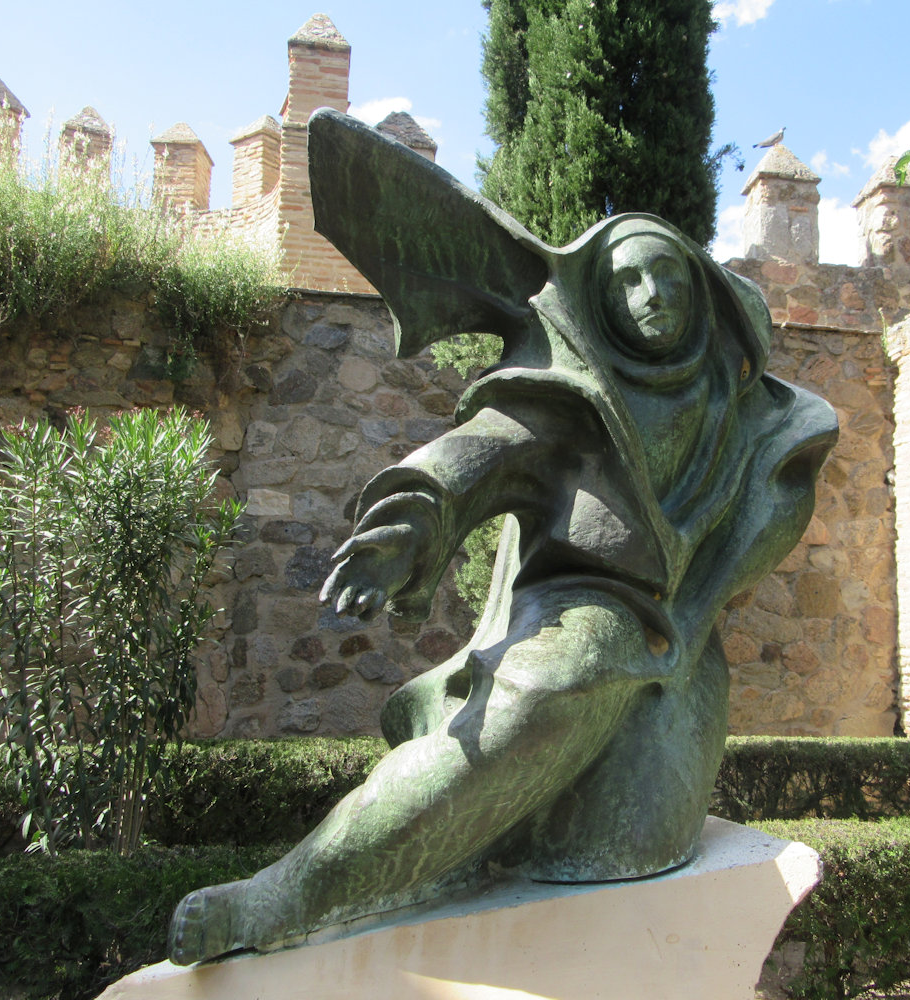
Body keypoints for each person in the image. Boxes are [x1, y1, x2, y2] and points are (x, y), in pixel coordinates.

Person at [167, 114, 836, 966]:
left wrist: (691, 619)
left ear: (701, 289)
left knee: (619, 826)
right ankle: (285, 897)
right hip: (581, 606)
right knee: (539, 695)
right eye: (627, 282)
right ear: (599, 299)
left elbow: (765, 518)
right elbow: (472, 455)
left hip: (674, 640)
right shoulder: (568, 390)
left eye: (666, 275)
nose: (650, 298)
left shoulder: (765, 419)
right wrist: (410, 522)